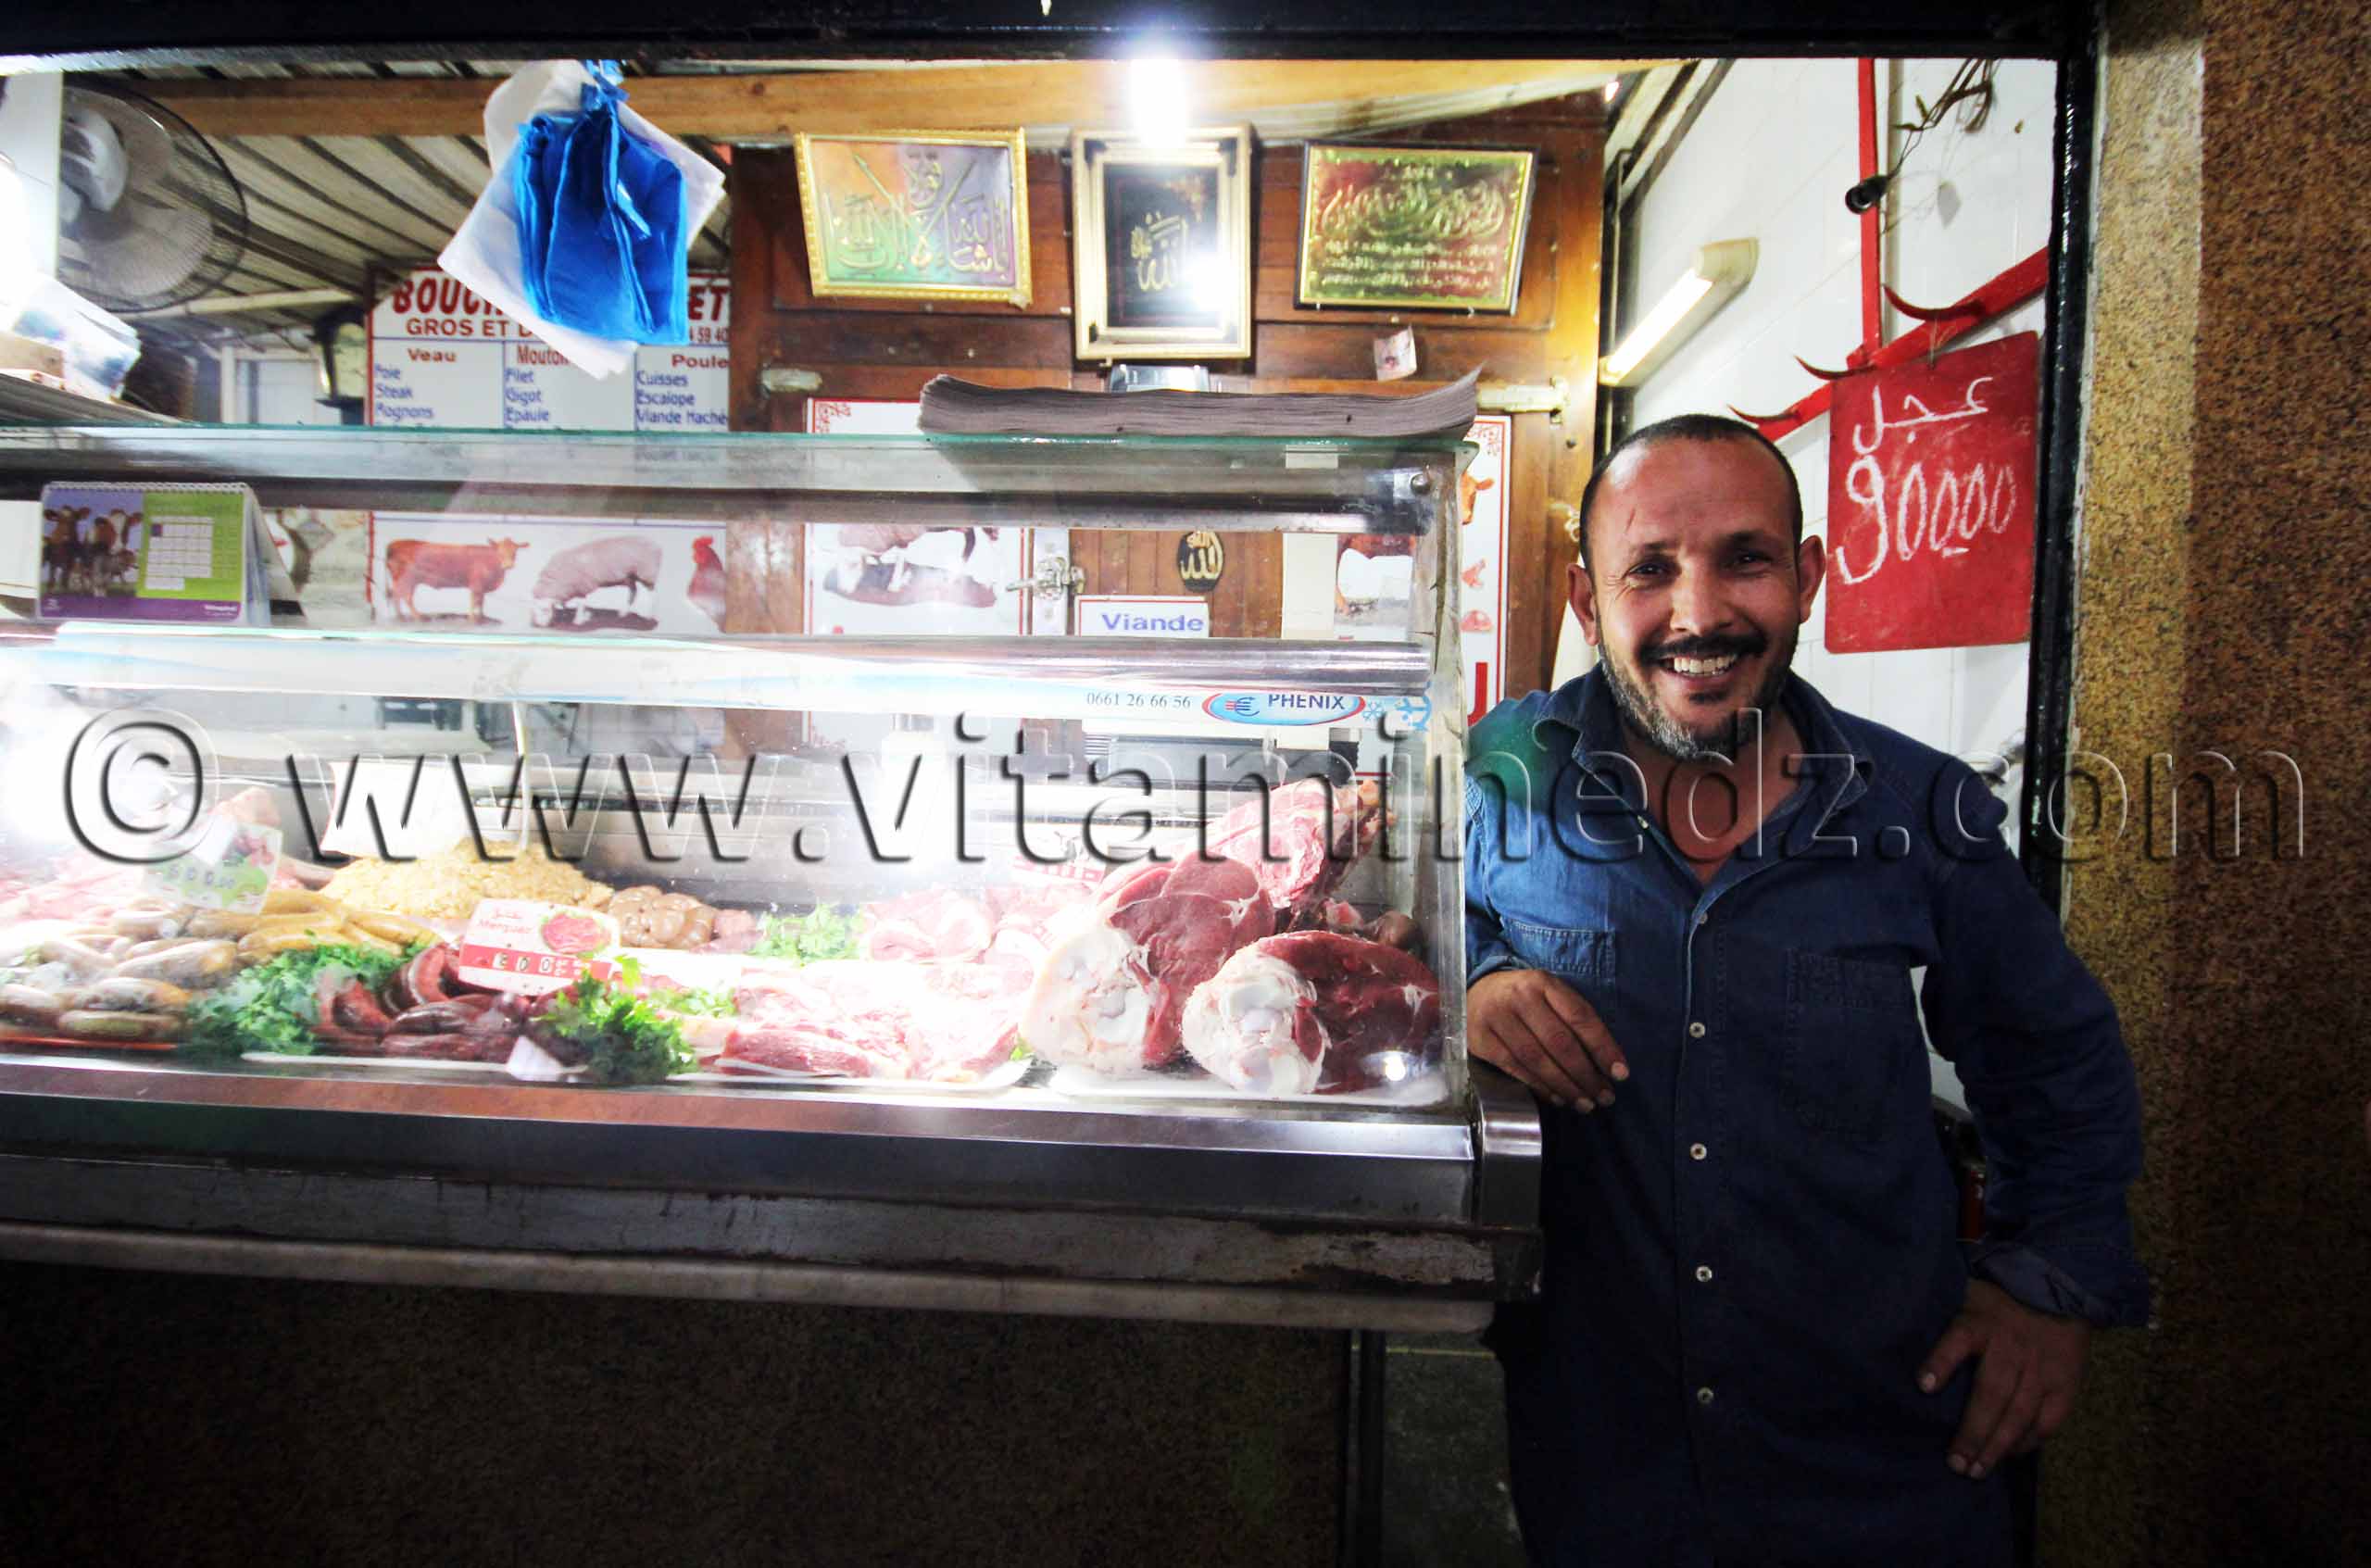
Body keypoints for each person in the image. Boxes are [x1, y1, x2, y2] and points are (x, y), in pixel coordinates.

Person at [1462, 415, 2147, 1567]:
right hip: (1601, 1461)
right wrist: (1481, 980)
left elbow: (2054, 1054)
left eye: (1745, 557)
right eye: (1649, 569)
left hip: (1878, 1467)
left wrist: (2049, 1286)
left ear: (1809, 577)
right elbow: (1437, 919)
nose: (1699, 614)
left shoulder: (1921, 807)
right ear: (1587, 601)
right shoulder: (1509, 769)